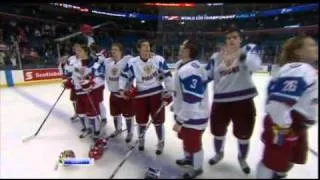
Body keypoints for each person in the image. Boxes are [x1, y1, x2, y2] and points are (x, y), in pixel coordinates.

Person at [256, 35, 318, 179]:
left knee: (284, 160)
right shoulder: (300, 69)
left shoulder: (301, 69)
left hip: (292, 123)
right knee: (272, 161)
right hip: (285, 123)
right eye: (311, 45)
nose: (316, 48)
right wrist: (283, 129)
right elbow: (279, 103)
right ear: (298, 51)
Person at [205, 27, 262, 174]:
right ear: (225, 40)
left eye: (234, 37)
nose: (231, 40)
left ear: (240, 39)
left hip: (243, 100)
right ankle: (219, 153)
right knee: (217, 132)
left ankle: (242, 158)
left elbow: (255, 65)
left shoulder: (248, 49)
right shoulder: (216, 56)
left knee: (244, 134)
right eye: (229, 37)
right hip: (220, 101)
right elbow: (207, 75)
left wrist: (240, 56)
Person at [119, 39, 174, 155]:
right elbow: (124, 76)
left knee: (158, 122)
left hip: (156, 95)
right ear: (139, 49)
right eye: (144, 46)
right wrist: (121, 88)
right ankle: (141, 139)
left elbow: (167, 75)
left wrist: (169, 91)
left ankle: (161, 141)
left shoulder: (158, 59)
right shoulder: (133, 62)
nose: (147, 48)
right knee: (141, 122)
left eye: (148, 45)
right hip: (140, 96)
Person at [173, 39, 209, 179]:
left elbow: (192, 100)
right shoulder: (185, 66)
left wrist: (180, 120)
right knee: (186, 139)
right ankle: (189, 159)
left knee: (194, 143)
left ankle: (197, 168)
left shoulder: (190, 70)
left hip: (194, 116)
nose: (180, 48)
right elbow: (182, 93)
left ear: (188, 50)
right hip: (189, 113)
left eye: (182, 46)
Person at [103, 42, 135, 142]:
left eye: (116, 49)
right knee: (115, 114)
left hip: (125, 95)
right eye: (112, 50)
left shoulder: (128, 60)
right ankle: (118, 129)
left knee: (128, 116)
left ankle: (130, 132)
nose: (113, 51)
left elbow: (138, 62)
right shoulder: (108, 63)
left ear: (121, 51)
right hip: (113, 94)